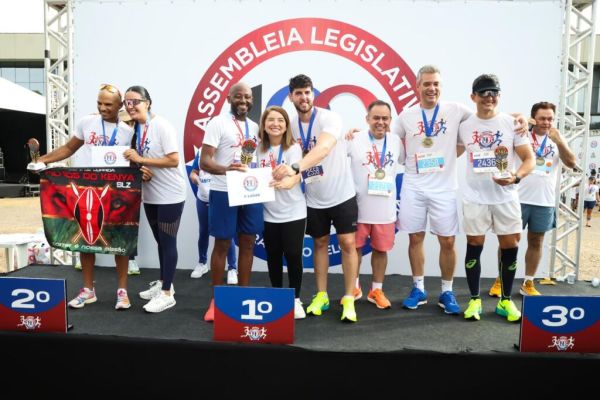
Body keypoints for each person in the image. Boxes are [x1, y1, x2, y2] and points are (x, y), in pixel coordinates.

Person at [34, 83, 146, 310]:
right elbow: (68, 148)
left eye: (108, 104)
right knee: (85, 240)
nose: (103, 108)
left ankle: (122, 292)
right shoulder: (87, 123)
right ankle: (88, 290)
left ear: (119, 106)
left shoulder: (128, 131)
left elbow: (134, 162)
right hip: (85, 190)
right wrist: (42, 160)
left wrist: (143, 170)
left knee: (120, 240)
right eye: (99, 103)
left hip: (115, 192)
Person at [272, 74, 359, 323]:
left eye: (307, 92)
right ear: (290, 96)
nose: (304, 97)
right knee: (319, 243)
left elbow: (322, 149)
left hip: (342, 192)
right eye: (298, 93)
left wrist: (295, 169)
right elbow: (274, 148)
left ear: (313, 94)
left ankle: (349, 298)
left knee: (347, 243)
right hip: (313, 196)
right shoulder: (287, 123)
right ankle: (321, 294)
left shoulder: (329, 117)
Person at [457, 74, 535, 322]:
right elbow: (443, 148)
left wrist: (516, 177)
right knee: (474, 245)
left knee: (510, 247)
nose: (489, 97)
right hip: (475, 197)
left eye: (494, 93)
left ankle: (505, 300)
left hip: (505, 196)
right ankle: (474, 300)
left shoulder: (513, 124)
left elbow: (529, 159)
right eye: (483, 93)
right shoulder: (465, 125)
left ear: (499, 96)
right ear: (473, 97)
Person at [488, 102, 576, 296]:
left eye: (550, 119)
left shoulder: (557, 138)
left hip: (544, 200)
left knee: (536, 241)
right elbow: (496, 122)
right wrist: (518, 117)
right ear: (534, 118)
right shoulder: (522, 133)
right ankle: (501, 280)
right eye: (542, 118)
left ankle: (528, 283)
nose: (546, 122)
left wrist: (560, 141)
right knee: (508, 242)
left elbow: (572, 163)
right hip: (516, 198)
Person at [200, 82, 263, 322]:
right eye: (239, 97)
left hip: (250, 191)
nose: (244, 101)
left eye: (248, 97)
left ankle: (242, 298)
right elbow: (205, 161)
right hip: (224, 190)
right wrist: (227, 170)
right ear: (229, 98)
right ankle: (218, 300)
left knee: (248, 242)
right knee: (223, 244)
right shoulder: (218, 123)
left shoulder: (255, 127)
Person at [123, 85, 187, 313]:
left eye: (135, 101)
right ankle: (163, 282)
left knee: (168, 242)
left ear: (147, 102)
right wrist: (141, 166)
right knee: (161, 241)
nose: (130, 106)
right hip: (150, 195)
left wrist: (142, 160)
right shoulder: (136, 129)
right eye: (126, 102)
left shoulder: (162, 126)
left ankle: (168, 294)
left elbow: (173, 160)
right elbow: (141, 162)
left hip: (170, 194)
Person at [346, 100, 402, 309]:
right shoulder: (353, 139)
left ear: (390, 120)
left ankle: (376, 289)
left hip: (385, 208)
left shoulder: (396, 141)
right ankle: (354, 286)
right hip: (359, 207)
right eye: (376, 117)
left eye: (384, 118)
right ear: (367, 119)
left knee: (381, 250)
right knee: (355, 249)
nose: (380, 122)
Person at [256, 106, 307, 319]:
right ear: (264, 124)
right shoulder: (256, 150)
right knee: (273, 257)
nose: (275, 123)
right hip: (269, 212)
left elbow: (299, 175)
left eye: (280, 120)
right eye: (271, 120)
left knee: (294, 255)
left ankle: (295, 299)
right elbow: (245, 172)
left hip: (293, 211)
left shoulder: (293, 149)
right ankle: (278, 295)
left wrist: (290, 180)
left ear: (286, 125)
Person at [189, 150, 238, 283]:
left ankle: (232, 268)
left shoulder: (229, 149)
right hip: (203, 197)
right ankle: (202, 263)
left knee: (226, 235)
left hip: (222, 196)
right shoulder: (201, 150)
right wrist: (193, 176)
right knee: (203, 231)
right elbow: (194, 171)